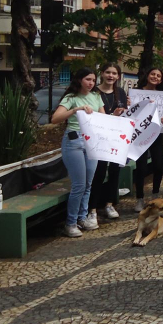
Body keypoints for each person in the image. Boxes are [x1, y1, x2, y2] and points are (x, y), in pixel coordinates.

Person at [51, 68, 105, 237]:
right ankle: (71, 222)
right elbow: (55, 118)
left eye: (93, 80)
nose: (91, 83)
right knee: (79, 185)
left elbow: (103, 118)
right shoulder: (71, 97)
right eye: (88, 79)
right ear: (80, 80)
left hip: (92, 141)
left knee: (88, 183)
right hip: (74, 141)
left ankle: (82, 217)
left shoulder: (96, 96)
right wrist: (75, 110)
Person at [88, 62, 128, 224]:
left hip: (116, 139)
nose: (111, 76)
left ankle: (109, 204)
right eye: (108, 72)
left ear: (118, 76)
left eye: (114, 73)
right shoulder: (94, 92)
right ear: (102, 74)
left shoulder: (121, 92)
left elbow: (126, 114)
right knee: (98, 173)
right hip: (98, 139)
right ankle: (92, 209)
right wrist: (113, 115)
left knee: (114, 171)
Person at [133, 67, 163, 212]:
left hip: (158, 133)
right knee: (140, 167)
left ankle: (155, 195)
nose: (155, 77)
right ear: (147, 76)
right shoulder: (136, 93)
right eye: (153, 74)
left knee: (158, 166)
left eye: (158, 76)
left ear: (161, 79)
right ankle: (139, 198)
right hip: (141, 134)